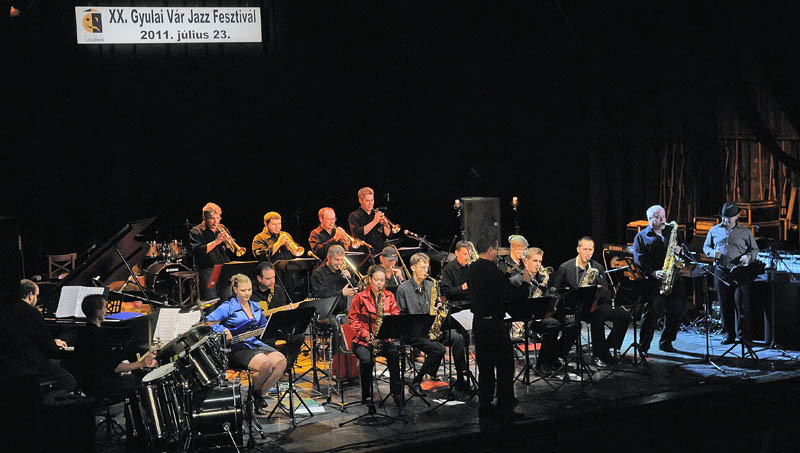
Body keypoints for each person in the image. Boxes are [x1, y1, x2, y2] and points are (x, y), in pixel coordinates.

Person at [468, 236, 531, 421]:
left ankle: (486, 407)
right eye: (496, 250)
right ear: (490, 249)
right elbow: (510, 294)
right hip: (494, 324)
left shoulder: (472, 268)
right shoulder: (492, 270)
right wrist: (525, 282)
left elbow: (490, 290)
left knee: (485, 367)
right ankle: (505, 405)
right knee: (505, 366)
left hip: (479, 323)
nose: (497, 253)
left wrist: (506, 277)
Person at [206, 274, 287, 411]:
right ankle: (254, 399)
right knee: (266, 365)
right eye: (243, 290)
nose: (247, 293)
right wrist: (223, 330)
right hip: (236, 347)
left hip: (254, 344)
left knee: (281, 362)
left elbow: (264, 326)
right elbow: (207, 322)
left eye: (249, 290)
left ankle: (256, 396)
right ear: (235, 290)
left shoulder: (255, 306)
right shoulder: (228, 306)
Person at [549, 236, 631, 367]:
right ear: (578, 249)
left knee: (624, 315)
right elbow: (555, 290)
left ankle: (606, 348)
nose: (588, 252)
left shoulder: (597, 267)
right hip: (574, 307)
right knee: (597, 316)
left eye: (590, 250)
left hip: (594, 304)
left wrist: (597, 290)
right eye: (585, 249)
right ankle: (597, 355)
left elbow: (605, 292)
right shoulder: (565, 267)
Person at [396, 252, 472, 392]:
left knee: (457, 337)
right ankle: (417, 381)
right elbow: (401, 314)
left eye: (427, 267)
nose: (425, 271)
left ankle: (461, 377)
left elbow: (435, 307)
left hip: (431, 329)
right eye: (422, 267)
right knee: (439, 349)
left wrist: (439, 308)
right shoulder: (403, 289)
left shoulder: (431, 285)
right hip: (414, 332)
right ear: (413, 268)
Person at [0, 279, 75, 392]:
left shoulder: (5, 310)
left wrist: (52, 341)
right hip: (31, 363)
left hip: (8, 362)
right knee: (69, 380)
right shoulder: (32, 313)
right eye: (37, 295)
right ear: (31, 295)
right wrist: (55, 345)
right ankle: (48, 401)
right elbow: (47, 345)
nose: (36, 299)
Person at [73, 294, 154, 400]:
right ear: (98, 313)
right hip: (101, 385)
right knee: (139, 383)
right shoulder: (98, 336)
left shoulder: (83, 332)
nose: (106, 310)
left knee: (132, 378)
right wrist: (141, 363)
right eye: (105, 307)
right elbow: (115, 367)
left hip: (88, 381)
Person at [511, 248, 578, 371]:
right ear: (525, 261)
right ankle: (542, 364)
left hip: (541, 315)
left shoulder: (542, 279)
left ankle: (556, 357)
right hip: (525, 320)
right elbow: (514, 305)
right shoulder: (516, 280)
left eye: (540, 261)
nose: (538, 264)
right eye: (535, 261)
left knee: (573, 324)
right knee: (553, 325)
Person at [703, 202, 759, 344]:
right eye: (724, 217)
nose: (726, 220)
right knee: (724, 304)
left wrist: (748, 257)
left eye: (729, 218)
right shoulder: (714, 230)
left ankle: (744, 335)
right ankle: (729, 334)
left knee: (741, 303)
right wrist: (712, 253)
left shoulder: (745, 232)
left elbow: (754, 249)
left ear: (737, 216)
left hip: (739, 272)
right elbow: (706, 246)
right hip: (721, 271)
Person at [633, 205, 686, 354]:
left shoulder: (672, 231)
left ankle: (666, 342)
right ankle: (643, 347)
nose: (663, 220)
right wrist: (653, 272)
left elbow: (684, 251)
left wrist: (680, 251)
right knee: (651, 315)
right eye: (659, 217)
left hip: (674, 279)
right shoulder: (641, 237)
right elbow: (639, 260)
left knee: (676, 312)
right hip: (653, 282)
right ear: (650, 219)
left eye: (664, 216)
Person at [347, 265, 402, 405]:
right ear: (370, 279)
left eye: (382, 280)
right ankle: (366, 394)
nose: (379, 283)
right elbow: (353, 319)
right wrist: (366, 335)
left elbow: (396, 314)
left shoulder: (389, 296)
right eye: (376, 280)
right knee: (367, 361)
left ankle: (396, 392)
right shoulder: (360, 297)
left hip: (383, 338)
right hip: (362, 340)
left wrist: (390, 318)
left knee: (394, 354)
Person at [251, 262, 304, 367]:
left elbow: (283, 315)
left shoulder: (278, 290)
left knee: (299, 336)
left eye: (274, 277)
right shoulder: (250, 292)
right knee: (267, 342)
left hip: (277, 328)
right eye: (268, 278)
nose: (272, 281)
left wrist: (288, 312)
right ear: (259, 278)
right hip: (259, 331)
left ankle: (287, 366)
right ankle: (272, 366)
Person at [310, 245, 358, 354]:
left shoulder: (343, 271)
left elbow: (355, 288)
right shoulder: (318, 273)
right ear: (329, 257)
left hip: (342, 311)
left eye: (341, 260)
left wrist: (350, 278)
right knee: (338, 325)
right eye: (336, 260)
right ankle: (338, 357)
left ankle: (352, 354)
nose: (339, 263)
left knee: (357, 322)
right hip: (325, 313)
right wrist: (341, 293)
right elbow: (320, 296)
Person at [189, 202, 233, 300]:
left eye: (218, 218)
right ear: (204, 218)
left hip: (224, 268)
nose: (215, 222)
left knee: (227, 299)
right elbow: (198, 251)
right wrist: (216, 242)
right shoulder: (196, 231)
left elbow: (230, 251)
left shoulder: (222, 228)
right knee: (211, 301)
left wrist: (228, 244)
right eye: (212, 218)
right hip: (208, 270)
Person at [348, 187, 392, 252]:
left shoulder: (376, 214)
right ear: (360, 201)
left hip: (380, 252)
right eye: (367, 201)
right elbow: (357, 233)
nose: (371, 203)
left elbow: (388, 235)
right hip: (364, 253)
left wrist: (385, 225)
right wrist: (374, 221)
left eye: (372, 200)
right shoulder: (354, 215)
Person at [440, 241, 473, 310]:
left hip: (472, 303)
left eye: (470, 254)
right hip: (457, 305)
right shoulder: (448, 269)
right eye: (465, 254)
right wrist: (462, 287)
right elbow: (446, 292)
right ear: (456, 253)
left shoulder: (472, 266)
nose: (468, 257)